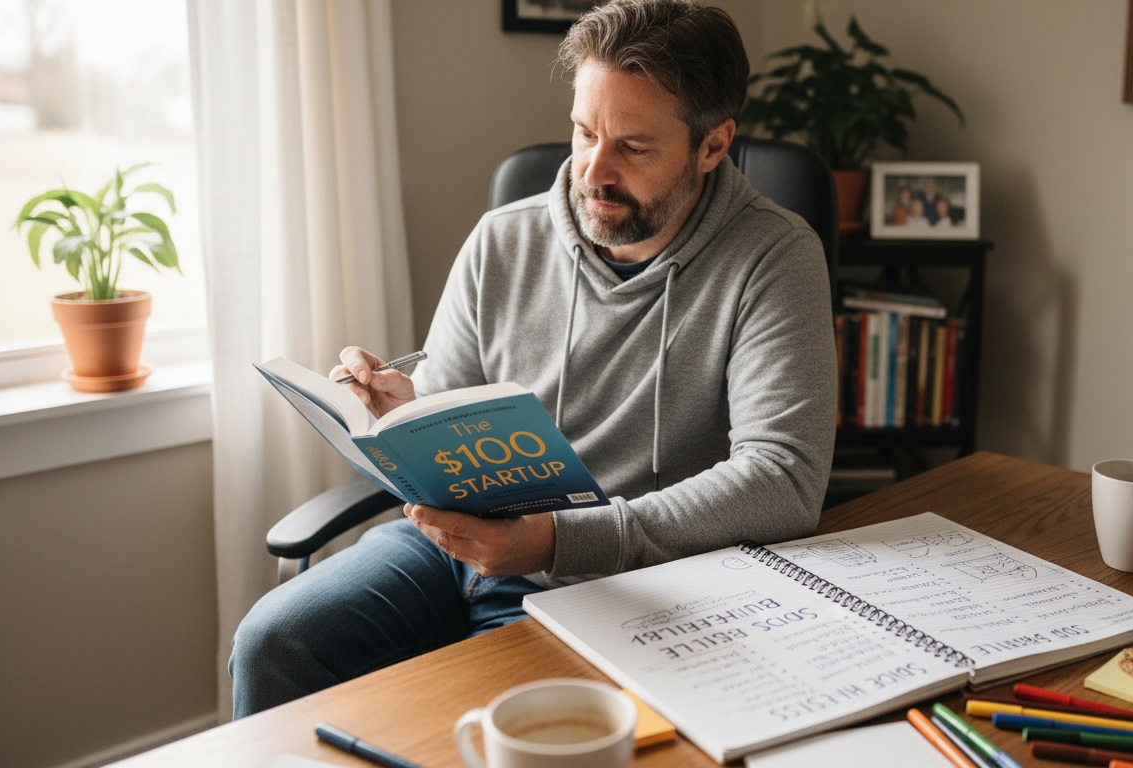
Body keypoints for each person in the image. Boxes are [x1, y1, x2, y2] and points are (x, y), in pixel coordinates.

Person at [228, 0, 836, 718]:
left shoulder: (773, 258)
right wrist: (403, 411)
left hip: (629, 580)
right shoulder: (502, 241)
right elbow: (448, 415)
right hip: (457, 549)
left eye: (634, 148)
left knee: (501, 722)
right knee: (276, 639)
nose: (593, 171)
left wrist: (556, 542)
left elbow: (782, 478)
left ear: (712, 145)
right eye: (583, 132)